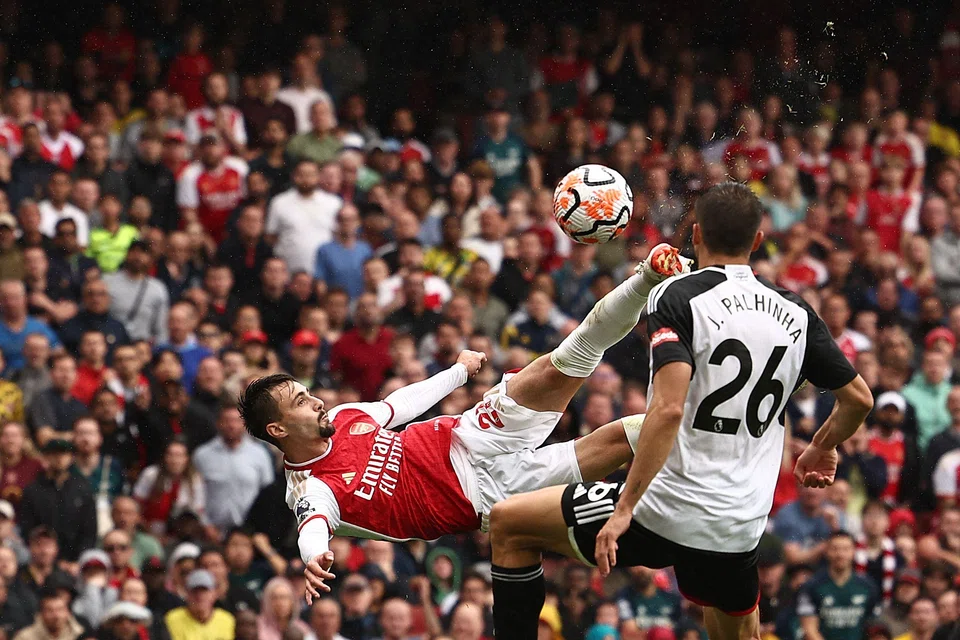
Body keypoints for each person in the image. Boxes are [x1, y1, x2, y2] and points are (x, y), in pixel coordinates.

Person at [485, 183, 875, 640]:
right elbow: (859, 399)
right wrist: (822, 446)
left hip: (665, 510)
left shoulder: (677, 296)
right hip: (739, 526)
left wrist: (625, 506)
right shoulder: (796, 311)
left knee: (509, 525)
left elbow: (668, 409)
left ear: (696, 234)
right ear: (756, 240)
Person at [237, 242, 689, 599]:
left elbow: (400, 405)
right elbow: (313, 524)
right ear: (278, 430)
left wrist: (457, 372)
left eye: (306, 392)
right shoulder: (312, 487)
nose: (315, 401)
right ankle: (703, 426)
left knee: (565, 359)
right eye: (300, 401)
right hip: (487, 495)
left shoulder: (343, 416)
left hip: (468, 434)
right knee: (622, 436)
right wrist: (314, 557)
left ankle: (650, 275)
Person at [192, 405, 274, 530]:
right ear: (218, 423)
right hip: (212, 529)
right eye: (227, 420)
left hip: (248, 530)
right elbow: (194, 493)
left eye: (236, 420)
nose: (231, 425)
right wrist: (205, 524)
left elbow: (268, 494)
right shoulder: (202, 455)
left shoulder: (259, 454)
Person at [18, 439, 97, 564]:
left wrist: (78, 561)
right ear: (46, 457)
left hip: (75, 562)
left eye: (64, 454)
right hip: (41, 559)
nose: (59, 458)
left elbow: (89, 531)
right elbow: (27, 529)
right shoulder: (33, 491)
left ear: (71, 458)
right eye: (54, 454)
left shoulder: (82, 490)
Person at [797, 532, 882, 640]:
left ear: (853, 551)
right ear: (827, 551)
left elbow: (874, 628)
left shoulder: (868, 586)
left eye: (846, 549)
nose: (840, 554)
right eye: (835, 549)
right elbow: (809, 630)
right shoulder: (812, 586)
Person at [103, 241, 169, 344]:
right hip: (112, 343)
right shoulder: (107, 281)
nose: (137, 256)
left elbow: (161, 328)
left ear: (150, 259)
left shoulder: (158, 288)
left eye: (143, 252)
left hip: (142, 346)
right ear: (126, 255)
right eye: (133, 252)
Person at [164, 570, 235, 640]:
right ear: (186, 594)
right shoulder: (173, 619)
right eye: (194, 591)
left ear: (214, 593)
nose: (199, 596)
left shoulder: (226, 620)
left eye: (204, 590)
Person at [12, 587, 84, 640]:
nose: (56, 615)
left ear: (68, 612)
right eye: (50, 610)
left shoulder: (80, 634)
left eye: (60, 609)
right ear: (41, 613)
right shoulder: (25, 637)